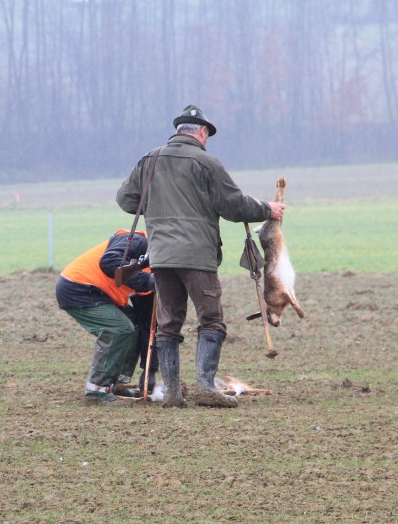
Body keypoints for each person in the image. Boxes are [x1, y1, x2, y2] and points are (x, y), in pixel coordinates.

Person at [116, 105, 285, 408]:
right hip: (197, 256)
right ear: (203, 132)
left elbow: (127, 200)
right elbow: (233, 206)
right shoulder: (206, 162)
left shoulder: (149, 160)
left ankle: (172, 393)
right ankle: (206, 386)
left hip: (161, 257)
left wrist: (159, 209)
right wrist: (266, 209)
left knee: (168, 323)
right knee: (211, 320)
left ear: (179, 129)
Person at [55, 229, 157, 404]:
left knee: (135, 326)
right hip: (78, 287)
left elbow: (148, 325)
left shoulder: (159, 273)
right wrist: (147, 281)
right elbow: (109, 261)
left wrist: (150, 371)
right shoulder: (138, 241)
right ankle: (96, 391)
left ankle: (116, 385)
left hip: (101, 294)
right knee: (119, 329)